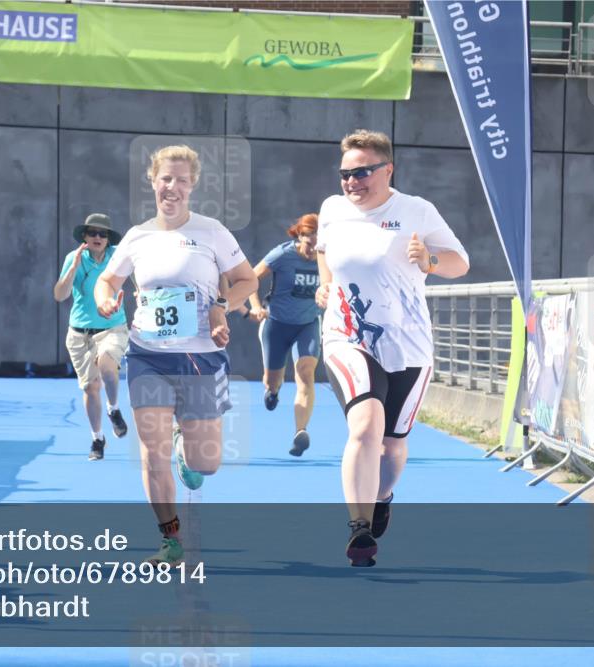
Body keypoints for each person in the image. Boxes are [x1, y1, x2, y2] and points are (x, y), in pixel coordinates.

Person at [95, 145, 257, 565]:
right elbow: (108, 281)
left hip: (201, 357)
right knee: (151, 449)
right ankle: (169, 539)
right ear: (153, 181)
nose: (173, 187)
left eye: (182, 180)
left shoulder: (212, 231)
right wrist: (106, 298)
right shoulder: (137, 236)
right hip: (149, 354)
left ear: (193, 185)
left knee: (207, 463)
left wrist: (222, 304)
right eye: (166, 178)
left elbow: (247, 280)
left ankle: (188, 448)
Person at [315, 130, 469, 567]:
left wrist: (431, 261)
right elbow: (324, 249)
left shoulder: (416, 210)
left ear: (388, 170)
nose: (352, 182)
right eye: (345, 174)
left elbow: (460, 263)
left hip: (408, 345)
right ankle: (358, 527)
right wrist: (326, 286)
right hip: (347, 336)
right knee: (364, 425)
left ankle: (382, 496)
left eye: (362, 172)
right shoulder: (332, 209)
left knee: (392, 444)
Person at [53, 213, 130, 460]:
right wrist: (73, 268)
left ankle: (114, 409)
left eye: (103, 234)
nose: (97, 237)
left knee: (108, 367)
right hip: (79, 334)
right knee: (90, 387)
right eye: (92, 233)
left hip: (112, 327)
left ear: (108, 239)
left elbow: (140, 269)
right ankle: (97, 439)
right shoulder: (73, 259)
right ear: (84, 237)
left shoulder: (118, 256)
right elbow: (60, 295)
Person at [247, 213, 322, 457]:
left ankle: (301, 431)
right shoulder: (282, 255)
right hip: (276, 325)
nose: (313, 244)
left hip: (307, 325)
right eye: (308, 238)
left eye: (318, 238)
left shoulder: (328, 258)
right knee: (272, 380)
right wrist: (256, 307)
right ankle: (273, 391)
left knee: (306, 373)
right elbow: (250, 278)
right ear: (299, 236)